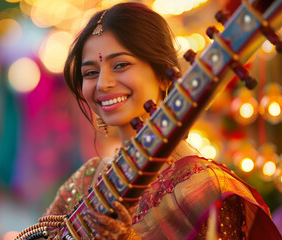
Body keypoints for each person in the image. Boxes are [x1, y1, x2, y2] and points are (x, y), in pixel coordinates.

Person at [41, 3, 282, 240]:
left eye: (121, 65)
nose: (103, 83)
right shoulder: (87, 180)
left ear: (165, 76)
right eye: (90, 72)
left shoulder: (208, 191)